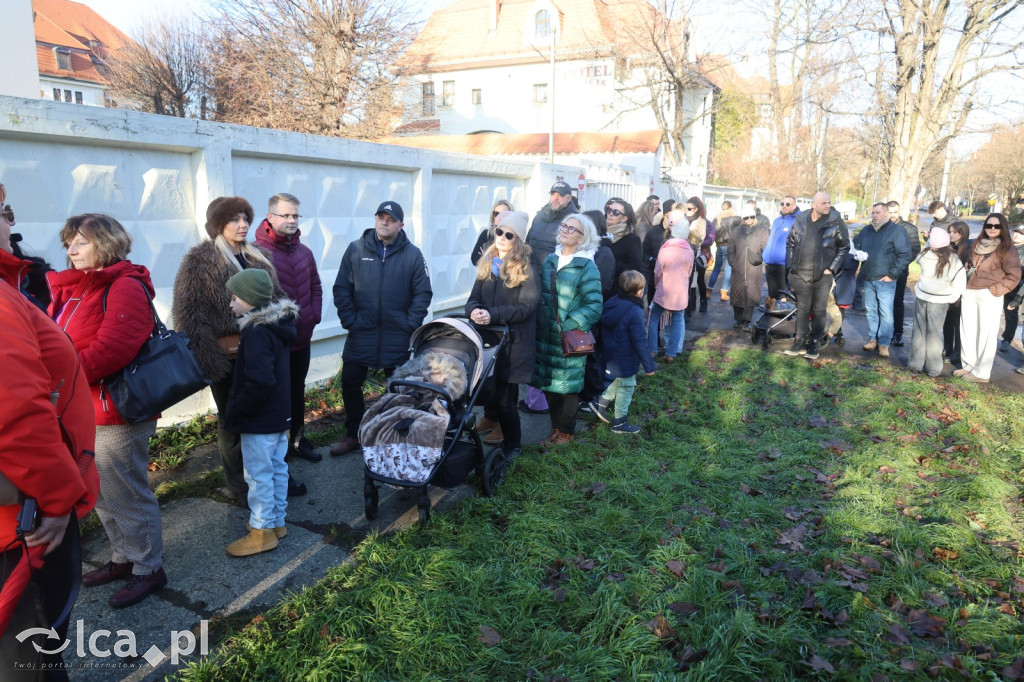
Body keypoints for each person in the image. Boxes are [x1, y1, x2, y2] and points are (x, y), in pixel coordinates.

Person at [44, 214, 168, 609]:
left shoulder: (124, 286)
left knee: (127, 493)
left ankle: (149, 568)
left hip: (115, 411)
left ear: (106, 243)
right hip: (83, 411)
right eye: (68, 243)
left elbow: (114, 350)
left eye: (80, 242)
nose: (71, 250)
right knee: (101, 493)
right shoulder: (77, 288)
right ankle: (122, 559)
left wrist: (57, 379)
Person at [1, 196, 98, 674]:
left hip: (23, 509)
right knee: (30, 657)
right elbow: (16, 411)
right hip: (25, 520)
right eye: (3, 212)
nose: (11, 220)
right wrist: (59, 499)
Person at [173, 197, 304, 502]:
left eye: (245, 218)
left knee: (268, 419)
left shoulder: (259, 255)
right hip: (226, 358)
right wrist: (212, 361)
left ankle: (273, 479)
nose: (243, 224)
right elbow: (189, 316)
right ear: (218, 224)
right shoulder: (199, 261)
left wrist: (281, 332)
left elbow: (279, 297)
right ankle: (239, 486)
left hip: (262, 353)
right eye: (234, 219)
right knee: (232, 421)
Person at [331, 201, 433, 455]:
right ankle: (354, 434)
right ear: (375, 219)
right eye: (381, 217)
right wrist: (350, 320)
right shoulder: (355, 250)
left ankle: (391, 436)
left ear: (401, 225)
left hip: (397, 336)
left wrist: (410, 324)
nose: (384, 222)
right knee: (350, 384)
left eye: (390, 219)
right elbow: (341, 288)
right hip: (361, 332)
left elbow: (423, 293)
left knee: (397, 389)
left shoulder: (413, 255)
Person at [224, 269, 298, 556]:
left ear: (249, 299)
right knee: (277, 468)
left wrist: (239, 410)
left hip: (259, 418)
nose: (231, 304)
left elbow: (259, 380)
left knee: (258, 475)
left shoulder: (256, 332)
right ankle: (277, 522)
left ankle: (262, 531)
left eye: (234, 298)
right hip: (277, 414)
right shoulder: (276, 325)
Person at [254, 193, 323, 463]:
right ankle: (277, 452)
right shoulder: (257, 253)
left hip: (302, 339)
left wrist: (313, 315)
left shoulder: (305, 252)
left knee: (297, 390)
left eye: (296, 215)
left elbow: (315, 286)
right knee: (276, 397)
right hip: (276, 342)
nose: (292, 220)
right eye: (286, 215)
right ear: (271, 217)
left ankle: (298, 440)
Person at [465, 211, 540, 458]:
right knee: (489, 393)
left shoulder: (526, 267)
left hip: (513, 343)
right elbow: (473, 299)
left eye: (510, 235)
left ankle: (513, 445)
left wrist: (493, 314)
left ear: (518, 240)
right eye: (500, 232)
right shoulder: (488, 261)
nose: (502, 238)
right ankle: (491, 426)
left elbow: (527, 306)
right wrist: (474, 311)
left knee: (506, 400)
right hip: (488, 340)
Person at [532, 213, 603, 446]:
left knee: (568, 387)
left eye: (572, 229)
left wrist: (569, 325)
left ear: (584, 238)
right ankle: (555, 428)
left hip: (568, 337)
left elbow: (594, 305)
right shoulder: (551, 260)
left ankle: (567, 432)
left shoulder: (587, 266)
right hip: (546, 335)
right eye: (564, 226)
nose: (565, 230)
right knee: (549, 384)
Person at [521, 182, 577, 416]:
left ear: (568, 198)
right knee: (533, 340)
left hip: (554, 286)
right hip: (532, 281)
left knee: (550, 343)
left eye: (560, 195)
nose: (555, 198)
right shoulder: (539, 217)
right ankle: (534, 397)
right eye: (553, 193)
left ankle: (548, 400)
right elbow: (529, 245)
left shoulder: (573, 220)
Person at [954, 213, 1021, 383]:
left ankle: (982, 372)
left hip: (989, 294)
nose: (992, 229)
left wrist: (996, 290)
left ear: (1003, 228)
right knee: (968, 330)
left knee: (986, 333)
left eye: (996, 226)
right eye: (989, 225)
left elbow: (1014, 275)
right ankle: (969, 365)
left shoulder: (1007, 249)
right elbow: (970, 263)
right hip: (970, 291)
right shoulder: (977, 244)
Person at [588, 270, 657, 434]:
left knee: (617, 380)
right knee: (627, 387)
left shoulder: (613, 301)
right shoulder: (634, 311)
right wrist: (649, 365)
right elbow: (640, 340)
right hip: (626, 357)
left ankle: (600, 402)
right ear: (639, 291)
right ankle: (619, 422)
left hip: (611, 354)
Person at [784, 191, 850, 360]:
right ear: (814, 205)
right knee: (803, 309)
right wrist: (791, 266)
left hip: (823, 275)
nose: (828, 206)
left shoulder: (836, 222)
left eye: (829, 202)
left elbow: (844, 247)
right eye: (824, 203)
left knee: (820, 309)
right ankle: (799, 341)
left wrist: (831, 269)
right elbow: (790, 243)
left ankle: (814, 343)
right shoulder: (801, 220)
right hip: (801, 274)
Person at [852, 203, 912, 359]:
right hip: (868, 277)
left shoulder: (897, 231)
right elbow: (854, 246)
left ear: (886, 214)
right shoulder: (867, 230)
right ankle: (873, 339)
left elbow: (904, 255)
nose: (874, 215)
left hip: (885, 279)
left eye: (877, 212)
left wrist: (892, 275)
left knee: (885, 313)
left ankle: (884, 343)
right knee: (871, 311)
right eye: (872, 212)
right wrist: (857, 253)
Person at [908, 229, 966, 377]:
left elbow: (920, 256)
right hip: (940, 301)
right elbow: (960, 283)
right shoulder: (953, 260)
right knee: (934, 334)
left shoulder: (924, 255)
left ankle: (915, 364)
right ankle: (933, 368)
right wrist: (952, 298)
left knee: (918, 332)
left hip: (922, 297)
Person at [649, 209, 693, 361]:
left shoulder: (665, 249)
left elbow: (657, 272)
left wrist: (657, 286)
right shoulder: (689, 251)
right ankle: (671, 353)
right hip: (680, 293)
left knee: (653, 318)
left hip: (664, 291)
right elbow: (689, 272)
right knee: (677, 321)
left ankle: (653, 349)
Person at [728, 204, 770, 329]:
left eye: (752, 217)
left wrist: (760, 257)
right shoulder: (736, 231)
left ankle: (746, 321)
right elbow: (730, 249)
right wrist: (732, 262)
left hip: (754, 267)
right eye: (746, 217)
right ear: (743, 218)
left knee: (750, 294)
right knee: (737, 293)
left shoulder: (762, 230)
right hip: (739, 267)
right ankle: (738, 320)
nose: (749, 220)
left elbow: (765, 247)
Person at [886, 200, 921, 346]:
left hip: (899, 271)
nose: (893, 215)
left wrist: (900, 264)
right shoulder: (881, 227)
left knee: (897, 302)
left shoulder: (909, 229)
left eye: (895, 212)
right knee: (881, 303)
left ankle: (898, 332)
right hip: (882, 270)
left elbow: (915, 249)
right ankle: (881, 333)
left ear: (899, 212)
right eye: (890, 212)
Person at [943, 221, 972, 368]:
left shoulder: (968, 248)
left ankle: (957, 352)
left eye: (955, 232)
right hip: (946, 289)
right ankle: (947, 347)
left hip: (962, 290)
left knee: (958, 323)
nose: (952, 234)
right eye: (950, 231)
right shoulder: (947, 247)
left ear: (963, 233)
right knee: (947, 322)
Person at [763, 196, 799, 309]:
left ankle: (784, 321)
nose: (784, 206)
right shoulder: (777, 220)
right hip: (770, 262)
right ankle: (772, 321)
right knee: (772, 295)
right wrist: (764, 253)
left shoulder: (797, 221)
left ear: (794, 206)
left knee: (783, 295)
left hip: (784, 264)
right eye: (782, 203)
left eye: (788, 204)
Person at [682, 197, 713, 317]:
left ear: (696, 209)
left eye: (689, 208)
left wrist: (696, 242)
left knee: (698, 281)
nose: (687, 210)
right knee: (690, 283)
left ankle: (702, 303)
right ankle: (691, 305)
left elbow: (708, 239)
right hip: (685, 255)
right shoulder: (683, 219)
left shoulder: (705, 223)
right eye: (686, 208)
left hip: (699, 256)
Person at [603, 198, 644, 289]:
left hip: (616, 289)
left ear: (624, 218)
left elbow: (635, 268)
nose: (610, 214)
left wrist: (610, 263)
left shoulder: (631, 239)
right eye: (609, 210)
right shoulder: (600, 232)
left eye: (616, 212)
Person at [642, 199, 674, 305]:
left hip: (672, 283)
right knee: (653, 312)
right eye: (672, 212)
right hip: (654, 280)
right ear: (665, 214)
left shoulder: (678, 233)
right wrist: (653, 261)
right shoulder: (653, 232)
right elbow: (644, 253)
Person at [998, 224, 1024, 353]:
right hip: (998, 286)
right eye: (1016, 232)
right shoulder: (1005, 247)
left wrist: (1018, 297)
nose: (1017, 234)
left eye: (1021, 233)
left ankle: (1007, 340)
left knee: (1011, 317)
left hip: (1014, 289)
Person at [708, 200, 740, 301]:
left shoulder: (717, 218)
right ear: (731, 207)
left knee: (716, 268)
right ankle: (724, 292)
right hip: (730, 246)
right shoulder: (736, 218)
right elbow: (740, 232)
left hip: (719, 245)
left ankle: (708, 290)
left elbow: (712, 232)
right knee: (728, 268)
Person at [471, 199, 514, 266]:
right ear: (493, 216)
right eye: (496, 214)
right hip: (487, 275)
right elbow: (474, 260)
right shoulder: (486, 234)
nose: (499, 217)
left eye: (504, 214)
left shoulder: (513, 236)